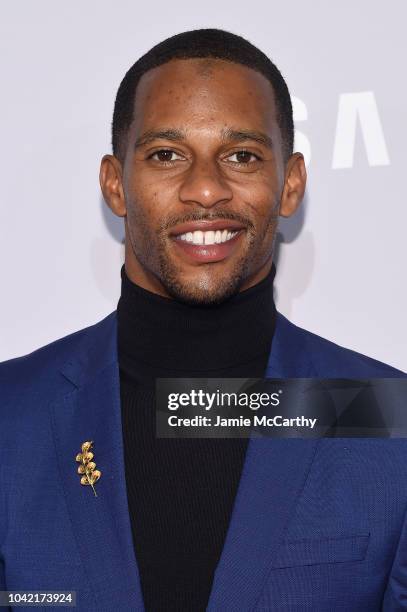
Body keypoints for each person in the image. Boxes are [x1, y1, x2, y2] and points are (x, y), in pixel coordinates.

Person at [0, 28, 406, 612]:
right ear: (116, 185)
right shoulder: (13, 416)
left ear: (290, 184)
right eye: (167, 155)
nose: (206, 189)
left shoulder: (388, 420)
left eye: (241, 156)